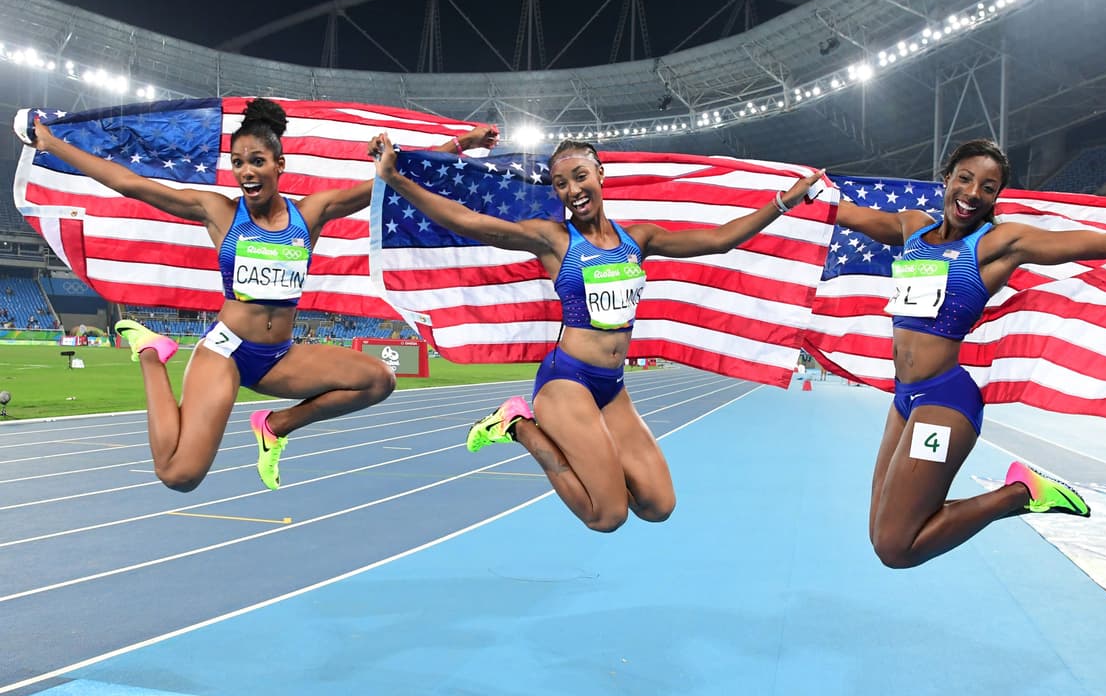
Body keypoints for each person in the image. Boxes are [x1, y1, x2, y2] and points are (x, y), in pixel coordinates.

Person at [835, 138, 1106, 569]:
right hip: (904, 399)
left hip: (944, 403)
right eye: (965, 179)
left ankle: (1021, 493)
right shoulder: (913, 227)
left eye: (988, 188)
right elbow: (846, 214)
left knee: (896, 548)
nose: (972, 194)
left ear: (996, 198)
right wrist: (788, 196)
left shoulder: (1000, 243)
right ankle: (1009, 493)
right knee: (879, 531)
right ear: (946, 178)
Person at [28, 99, 495, 492]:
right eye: (237, 163)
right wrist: (53, 145)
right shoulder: (219, 212)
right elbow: (129, 183)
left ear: (278, 165)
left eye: (256, 161)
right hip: (227, 352)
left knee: (378, 382)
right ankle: (153, 354)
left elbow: (386, 178)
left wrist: (461, 144)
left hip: (278, 357)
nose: (246, 172)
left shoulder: (311, 213)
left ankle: (276, 427)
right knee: (178, 474)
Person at [372, 134, 824, 531]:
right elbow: (468, 222)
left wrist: (784, 202)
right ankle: (516, 424)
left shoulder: (639, 240)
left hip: (612, 386)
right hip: (567, 380)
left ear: (601, 175)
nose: (572, 190)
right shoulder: (554, 240)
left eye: (580, 177)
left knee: (658, 505)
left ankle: (546, 437)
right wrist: (395, 179)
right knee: (606, 516)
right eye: (561, 185)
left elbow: (719, 239)